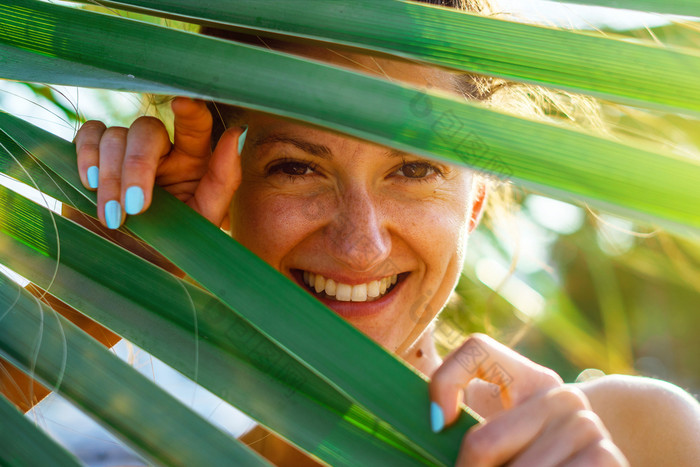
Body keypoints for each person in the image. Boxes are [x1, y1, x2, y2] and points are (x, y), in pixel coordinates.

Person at [67, 0, 700, 465]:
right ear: (222, 188)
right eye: (296, 167)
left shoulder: (642, 437)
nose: (361, 244)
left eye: (414, 169)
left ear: (475, 196)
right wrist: (84, 290)